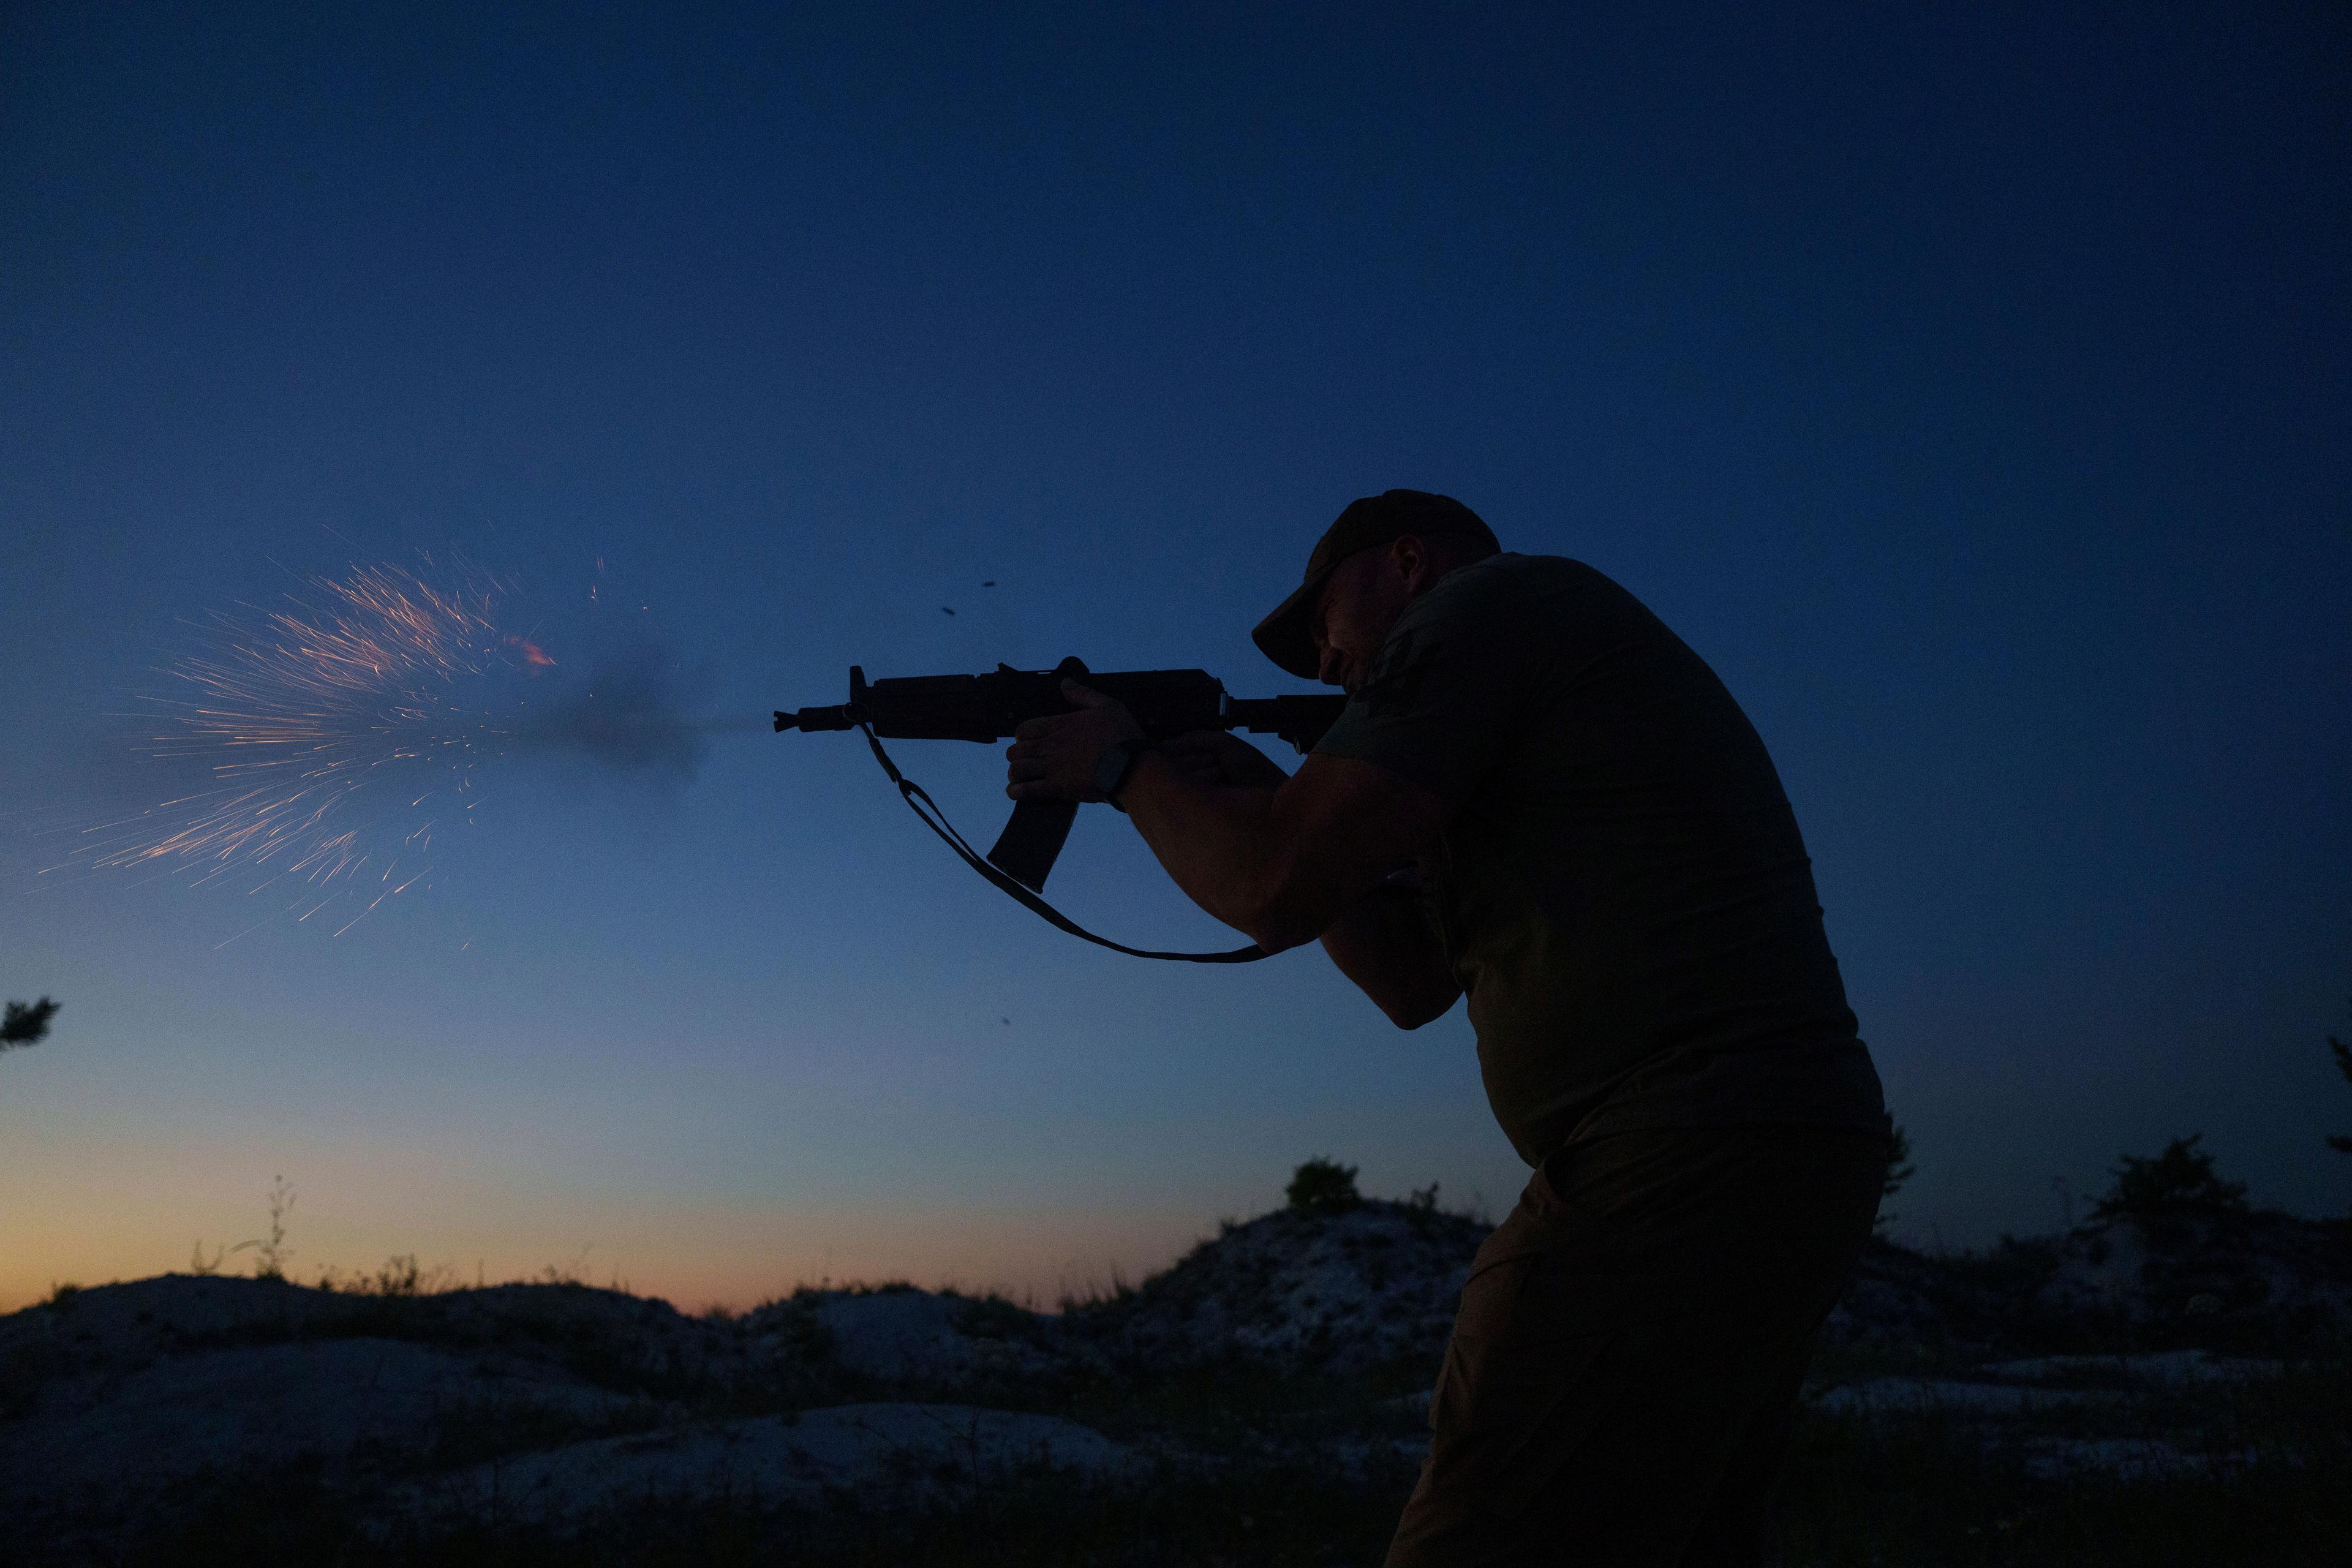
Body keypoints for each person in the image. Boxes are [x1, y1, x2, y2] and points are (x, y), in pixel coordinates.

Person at [1005, 489, 1889, 1566]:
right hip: (1749, 1140)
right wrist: (1263, 794)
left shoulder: (1488, 608)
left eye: (1325, 626)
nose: (1326, 666)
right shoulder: (1527, 682)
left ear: (1410, 564)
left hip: (1676, 1144)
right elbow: (1411, 983)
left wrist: (1126, 769)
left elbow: (1272, 886)